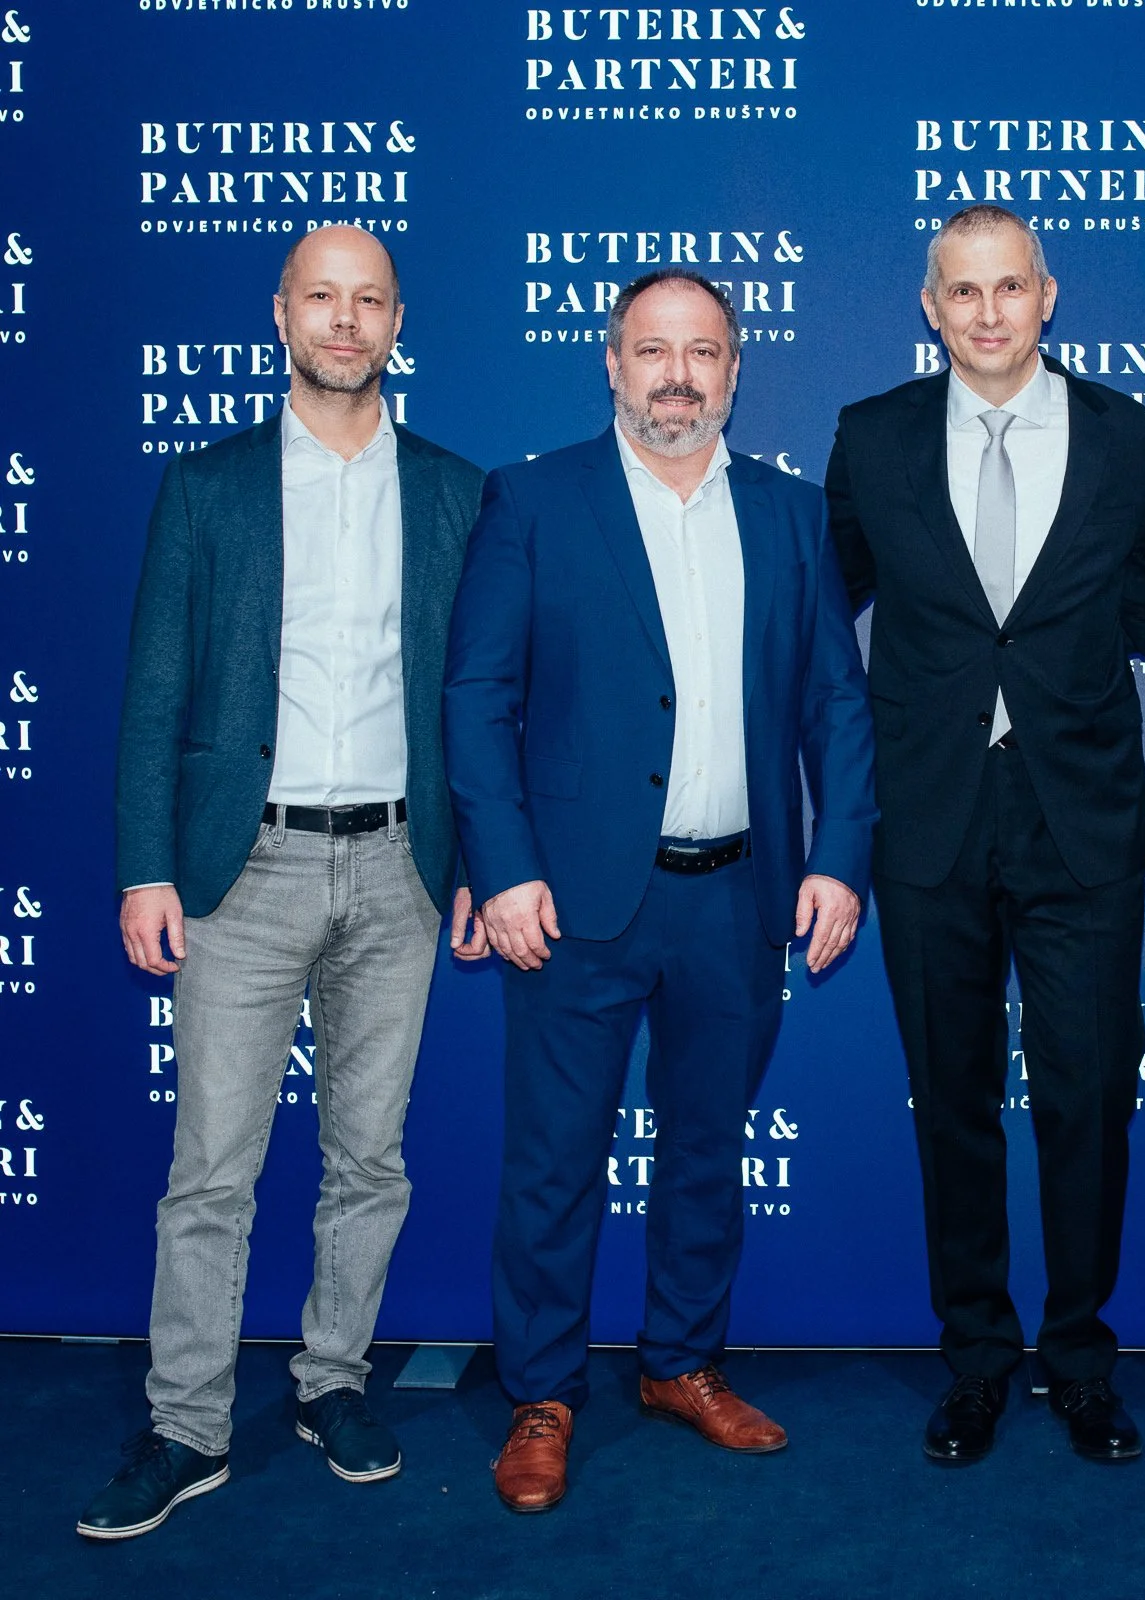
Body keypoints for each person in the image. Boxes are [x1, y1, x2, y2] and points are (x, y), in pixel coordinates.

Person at [445, 267, 874, 1513]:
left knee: (703, 1148)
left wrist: (838, 853)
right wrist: (505, 866)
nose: (676, 373)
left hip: (736, 895)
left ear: (736, 371)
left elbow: (836, 706)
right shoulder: (532, 500)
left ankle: (681, 1362)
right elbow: (478, 695)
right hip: (572, 903)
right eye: (651, 350)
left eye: (702, 351)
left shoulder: (791, 517)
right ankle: (541, 1390)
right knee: (554, 1158)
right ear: (613, 365)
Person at [85, 228, 487, 1540]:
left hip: (399, 868)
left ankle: (331, 1382)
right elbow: (154, 693)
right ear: (282, 316)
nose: (346, 319)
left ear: (394, 321)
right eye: (324, 296)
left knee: (370, 1156)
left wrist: (474, 863)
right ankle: (188, 1422)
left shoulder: (451, 491)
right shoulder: (206, 488)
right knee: (213, 1166)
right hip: (239, 868)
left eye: (368, 300)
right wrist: (147, 866)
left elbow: (478, 704)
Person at [824, 205, 1145, 1466]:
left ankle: (1079, 1358)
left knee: (1089, 1104)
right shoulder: (869, 439)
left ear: (1047, 296)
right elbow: (822, 621)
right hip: (924, 828)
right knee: (952, 1104)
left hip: (1080, 824)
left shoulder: (1135, 439)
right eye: (960, 290)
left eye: (1007, 287)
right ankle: (974, 1356)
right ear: (930, 305)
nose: (985, 312)